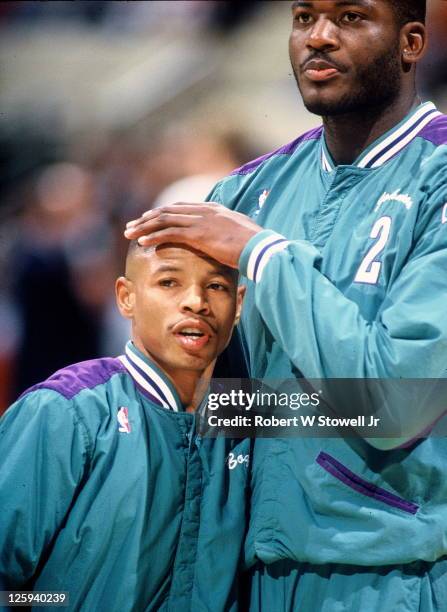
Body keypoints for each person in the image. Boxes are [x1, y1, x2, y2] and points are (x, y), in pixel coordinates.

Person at [124, 1, 447, 610]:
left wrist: (263, 255)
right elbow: (211, 407)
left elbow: (396, 400)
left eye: (350, 18)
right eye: (304, 18)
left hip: (388, 573)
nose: (318, 38)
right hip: (246, 570)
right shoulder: (246, 190)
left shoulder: (439, 176)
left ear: (410, 42)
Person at [0, 242, 248, 611]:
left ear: (239, 304)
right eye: (169, 283)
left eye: (216, 287)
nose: (196, 302)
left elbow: (364, 411)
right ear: (126, 296)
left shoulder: (250, 417)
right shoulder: (67, 408)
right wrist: (59, 602)